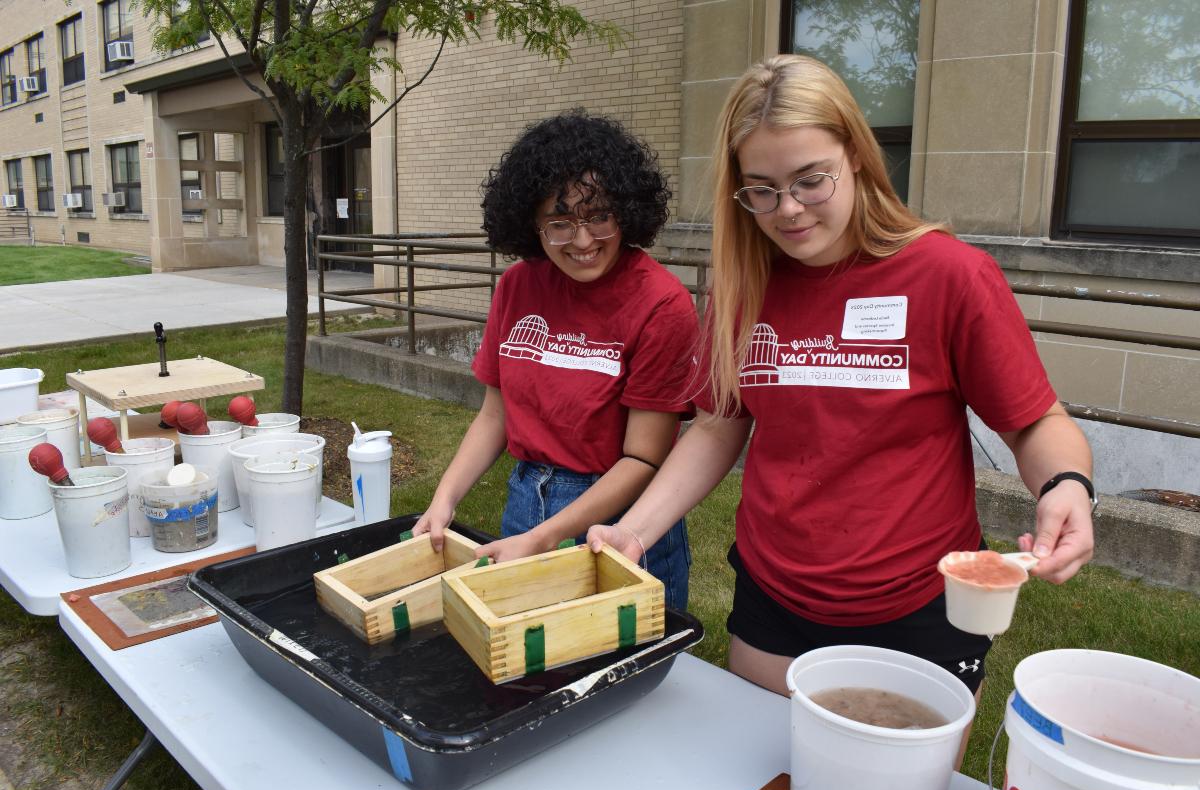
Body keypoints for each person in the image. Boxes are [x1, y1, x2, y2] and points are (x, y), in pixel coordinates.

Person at [587, 55, 1095, 699]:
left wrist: (1067, 485)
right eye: (762, 189)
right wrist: (635, 529)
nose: (789, 210)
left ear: (855, 153)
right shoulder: (745, 283)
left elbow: (1033, 422)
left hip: (920, 601)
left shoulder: (950, 275)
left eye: (810, 180)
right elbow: (718, 426)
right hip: (775, 592)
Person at [414, 111, 697, 610]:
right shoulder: (518, 286)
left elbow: (644, 458)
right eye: (560, 223)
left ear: (625, 212)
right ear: (533, 225)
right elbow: (494, 415)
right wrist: (444, 501)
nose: (583, 241)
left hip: (617, 519)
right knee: (525, 663)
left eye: (598, 216)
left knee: (617, 668)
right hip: (526, 499)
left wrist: (546, 537)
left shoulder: (662, 303)